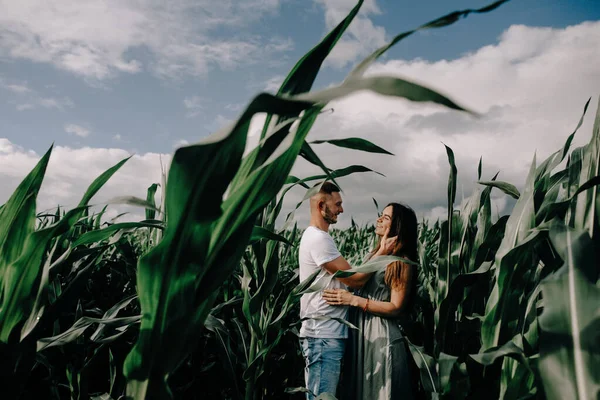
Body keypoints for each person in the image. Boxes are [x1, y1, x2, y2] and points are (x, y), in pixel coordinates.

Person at [298, 182, 396, 400]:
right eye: (338, 204)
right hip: (323, 335)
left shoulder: (320, 237)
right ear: (322, 205)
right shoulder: (318, 239)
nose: (341, 210)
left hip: (327, 335)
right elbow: (356, 280)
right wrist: (382, 252)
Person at [322, 202, 418, 400]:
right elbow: (356, 281)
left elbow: (396, 307)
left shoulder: (400, 261)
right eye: (380, 215)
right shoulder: (374, 255)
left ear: (398, 226)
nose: (379, 220)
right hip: (363, 335)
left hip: (380, 335)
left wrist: (353, 300)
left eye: (386, 217)